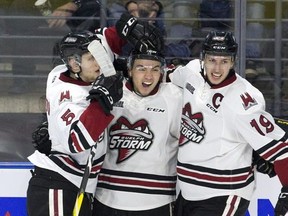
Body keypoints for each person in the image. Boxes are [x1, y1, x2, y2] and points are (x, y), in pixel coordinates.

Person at [169, 30, 288, 216]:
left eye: (224, 61)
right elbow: (170, 74)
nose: (217, 69)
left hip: (223, 194)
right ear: (202, 59)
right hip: (186, 193)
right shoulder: (192, 72)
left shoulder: (243, 101)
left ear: (233, 61)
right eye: (212, 60)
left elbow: (280, 147)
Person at [26, 29, 124, 216]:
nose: (100, 63)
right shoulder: (68, 96)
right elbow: (76, 140)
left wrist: (122, 27)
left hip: (78, 183)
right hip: (58, 184)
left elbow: (110, 39)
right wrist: (100, 104)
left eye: (100, 56)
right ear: (74, 63)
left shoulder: (60, 71)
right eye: (92, 58)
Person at [93, 44, 182, 216]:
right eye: (141, 68)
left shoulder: (174, 97)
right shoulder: (112, 92)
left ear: (162, 73)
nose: (148, 76)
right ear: (130, 70)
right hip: (107, 198)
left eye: (155, 69)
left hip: (157, 202)